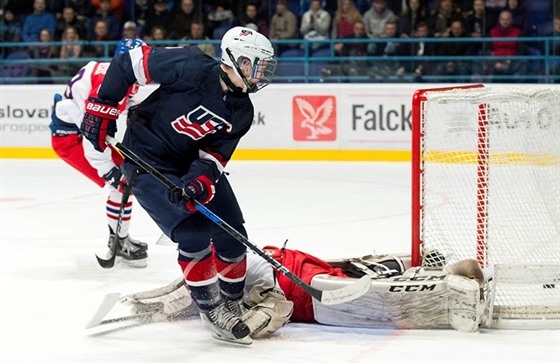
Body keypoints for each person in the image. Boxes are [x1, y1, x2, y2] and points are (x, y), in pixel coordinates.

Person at [78, 26, 277, 345]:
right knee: (194, 233)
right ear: (233, 60)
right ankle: (211, 309)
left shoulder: (242, 111)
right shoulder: (191, 66)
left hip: (187, 163)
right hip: (146, 158)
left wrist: (199, 181)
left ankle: (231, 301)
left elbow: (213, 156)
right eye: (256, 63)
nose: (262, 72)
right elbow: (129, 59)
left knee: (232, 234)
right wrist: (102, 107)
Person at [98, 244, 488, 336]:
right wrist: (141, 301)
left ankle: (448, 281)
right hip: (295, 263)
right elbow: (178, 290)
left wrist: (251, 324)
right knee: (352, 271)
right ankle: (428, 262)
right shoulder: (217, 259)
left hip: (301, 290)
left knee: (375, 298)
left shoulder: (220, 269)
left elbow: (279, 306)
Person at [49, 38, 149, 268]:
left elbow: (132, 103)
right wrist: (108, 172)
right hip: (70, 139)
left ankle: (120, 236)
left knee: (126, 181)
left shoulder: (120, 73)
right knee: (120, 184)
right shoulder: (104, 87)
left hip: (83, 132)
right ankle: (119, 241)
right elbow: (92, 136)